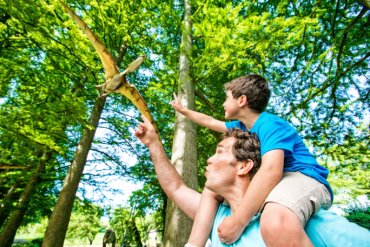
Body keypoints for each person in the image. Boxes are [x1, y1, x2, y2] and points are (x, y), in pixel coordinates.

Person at [134, 115, 369, 247]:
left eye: (219, 151)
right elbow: (175, 188)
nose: (209, 159)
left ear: (244, 166)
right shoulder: (215, 218)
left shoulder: (292, 221)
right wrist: (154, 144)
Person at [170, 74, 333, 246]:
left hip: (303, 176)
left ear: (241, 100)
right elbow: (209, 121)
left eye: (227, 98)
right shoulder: (241, 126)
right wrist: (183, 111)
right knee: (212, 188)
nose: (223, 103)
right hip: (280, 178)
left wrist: (238, 222)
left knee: (275, 219)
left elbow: (271, 170)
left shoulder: (270, 124)